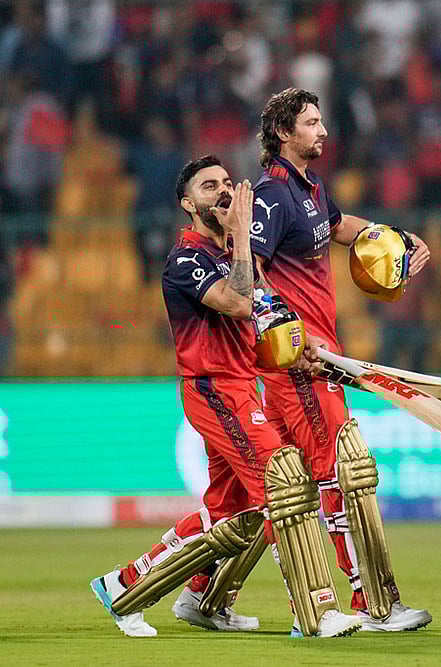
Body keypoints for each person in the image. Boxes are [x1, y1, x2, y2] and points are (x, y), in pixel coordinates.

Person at [90, 156, 361, 639]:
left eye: (223, 183)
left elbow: (267, 318)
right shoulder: (187, 260)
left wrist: (304, 349)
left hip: (241, 385)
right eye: (207, 186)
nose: (220, 192)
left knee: (228, 513)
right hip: (214, 390)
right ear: (187, 204)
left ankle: (144, 588)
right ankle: (314, 611)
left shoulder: (233, 253)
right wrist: (241, 239)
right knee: (283, 482)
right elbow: (237, 302)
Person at [249, 88, 432, 632]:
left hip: (315, 357)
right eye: (311, 122)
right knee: (341, 474)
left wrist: (394, 235)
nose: (323, 130)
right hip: (302, 363)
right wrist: (290, 337)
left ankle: (213, 593)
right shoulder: (270, 196)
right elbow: (248, 270)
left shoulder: (309, 191)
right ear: (285, 132)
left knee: (285, 490)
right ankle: (371, 603)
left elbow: (341, 227)